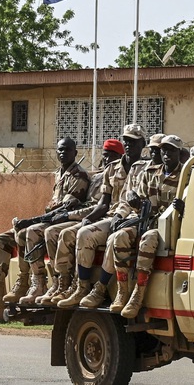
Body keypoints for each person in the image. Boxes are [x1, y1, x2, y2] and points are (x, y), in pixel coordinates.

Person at [0, 137, 89, 316]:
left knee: (30, 232)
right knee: (2, 239)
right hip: (47, 220)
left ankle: (38, 282)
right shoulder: (59, 173)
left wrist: (31, 221)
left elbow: (61, 211)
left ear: (75, 152)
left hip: (61, 222)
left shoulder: (78, 176)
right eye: (60, 150)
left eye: (67, 150)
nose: (63, 153)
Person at [57, 124, 148, 307]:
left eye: (133, 141)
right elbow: (104, 203)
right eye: (126, 141)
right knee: (83, 233)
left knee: (113, 239)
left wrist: (121, 217)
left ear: (142, 144)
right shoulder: (112, 168)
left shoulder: (146, 168)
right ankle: (81, 286)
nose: (128, 144)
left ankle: (100, 288)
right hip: (112, 216)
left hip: (134, 219)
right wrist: (88, 219)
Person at [103, 135, 185, 318]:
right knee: (119, 237)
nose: (166, 154)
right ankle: (122, 290)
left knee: (148, 239)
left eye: (171, 150)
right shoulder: (150, 172)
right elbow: (138, 200)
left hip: (166, 228)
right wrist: (135, 201)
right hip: (144, 221)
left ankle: (138, 295)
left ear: (179, 152)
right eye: (163, 150)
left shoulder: (185, 177)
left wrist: (183, 208)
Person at [35, 139, 124, 305]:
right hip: (91, 216)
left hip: (109, 218)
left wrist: (72, 216)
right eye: (105, 156)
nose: (107, 160)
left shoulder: (126, 174)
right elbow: (90, 204)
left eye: (112, 156)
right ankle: (60, 282)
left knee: (68, 233)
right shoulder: (97, 178)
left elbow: (100, 207)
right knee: (51, 232)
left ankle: (77, 284)